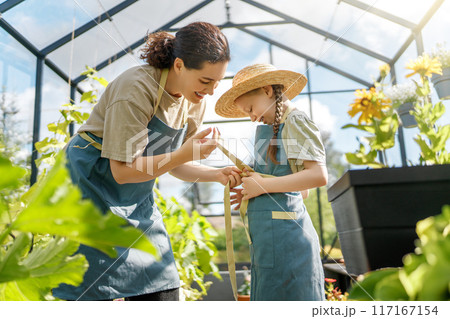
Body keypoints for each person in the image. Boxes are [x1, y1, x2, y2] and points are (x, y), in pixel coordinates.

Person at [54, 22, 242, 301]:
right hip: (92, 180)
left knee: (162, 282)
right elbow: (122, 171)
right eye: (205, 81)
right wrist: (184, 153)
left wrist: (216, 174)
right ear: (179, 65)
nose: (211, 91)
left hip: (136, 191)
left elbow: (175, 165)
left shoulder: (195, 102)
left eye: (217, 82)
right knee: (90, 282)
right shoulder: (137, 87)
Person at [215, 63, 328, 301]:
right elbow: (300, 191)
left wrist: (263, 185)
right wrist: (253, 191)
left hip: (289, 243)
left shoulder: (296, 121)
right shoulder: (276, 128)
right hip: (272, 241)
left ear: (267, 90)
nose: (252, 117)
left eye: (251, 108)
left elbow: (318, 176)